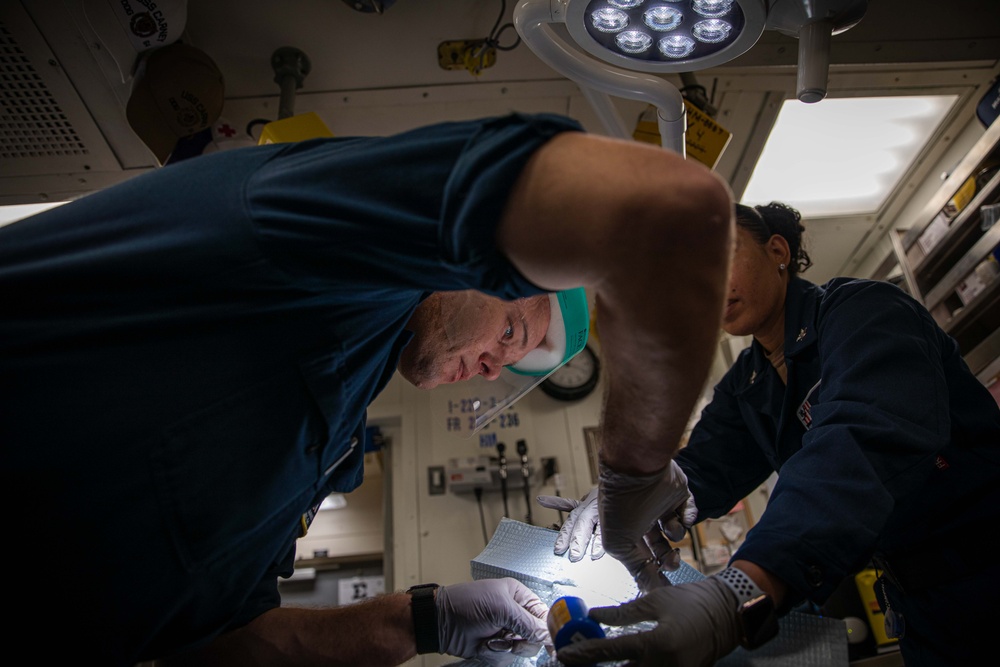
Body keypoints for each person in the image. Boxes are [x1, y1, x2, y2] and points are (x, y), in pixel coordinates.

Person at [0, 112, 734, 666]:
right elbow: (664, 211)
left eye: (506, 365)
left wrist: (422, 620)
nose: (489, 367)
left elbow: (228, 642)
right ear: (483, 265)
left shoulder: (341, 410)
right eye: (512, 332)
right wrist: (632, 472)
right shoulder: (320, 242)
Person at [542, 202, 1000, 667]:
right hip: (922, 607)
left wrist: (740, 588)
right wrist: (629, 495)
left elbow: (856, 446)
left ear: (777, 250)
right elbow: (702, 468)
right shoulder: (748, 382)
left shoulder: (865, 312)